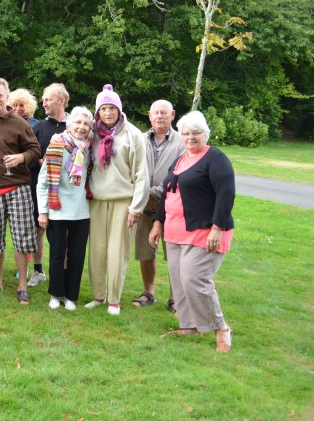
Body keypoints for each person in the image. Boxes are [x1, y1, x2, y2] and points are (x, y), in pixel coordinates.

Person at [148, 111, 235, 353]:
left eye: (195, 133)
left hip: (205, 230)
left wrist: (217, 227)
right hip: (175, 231)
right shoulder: (181, 160)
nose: (190, 138)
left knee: (194, 278)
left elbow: (226, 194)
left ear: (205, 133)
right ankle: (189, 326)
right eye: (186, 133)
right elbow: (167, 193)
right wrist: (157, 223)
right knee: (178, 280)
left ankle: (221, 328)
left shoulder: (216, 159)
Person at [0, 78, 41, 305]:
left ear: (7, 96)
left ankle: (22, 285)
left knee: (22, 239)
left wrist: (22, 157)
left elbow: (35, 149)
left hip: (18, 188)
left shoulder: (19, 123)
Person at [85, 84, 149, 315]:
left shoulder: (133, 134)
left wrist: (136, 208)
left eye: (112, 108)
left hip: (124, 201)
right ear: (98, 112)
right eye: (104, 109)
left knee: (117, 251)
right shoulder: (92, 133)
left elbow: (142, 174)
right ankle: (99, 296)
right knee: (97, 251)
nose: (108, 113)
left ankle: (114, 299)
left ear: (119, 110)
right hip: (97, 200)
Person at [36, 106, 93, 310]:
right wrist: (43, 211)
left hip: (82, 210)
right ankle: (56, 293)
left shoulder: (90, 148)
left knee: (77, 254)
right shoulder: (57, 145)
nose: (82, 127)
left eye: (86, 123)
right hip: (57, 208)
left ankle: (71, 296)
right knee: (58, 253)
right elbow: (42, 182)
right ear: (69, 124)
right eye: (78, 122)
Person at [133, 100, 184, 311]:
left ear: (172, 115)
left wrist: (155, 193)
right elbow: (132, 169)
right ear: (149, 115)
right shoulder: (140, 139)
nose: (160, 116)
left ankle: (175, 298)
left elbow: (182, 172)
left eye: (164, 113)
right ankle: (149, 292)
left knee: (174, 254)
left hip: (172, 206)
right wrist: (143, 195)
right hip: (144, 206)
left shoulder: (182, 141)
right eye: (156, 113)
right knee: (145, 250)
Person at [27, 83, 71, 286]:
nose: (44, 103)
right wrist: (40, 161)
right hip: (41, 187)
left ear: (61, 101)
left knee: (64, 233)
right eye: (43, 100)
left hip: (68, 190)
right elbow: (31, 152)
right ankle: (38, 270)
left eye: (48, 99)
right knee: (39, 228)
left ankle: (62, 272)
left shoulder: (74, 126)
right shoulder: (39, 127)